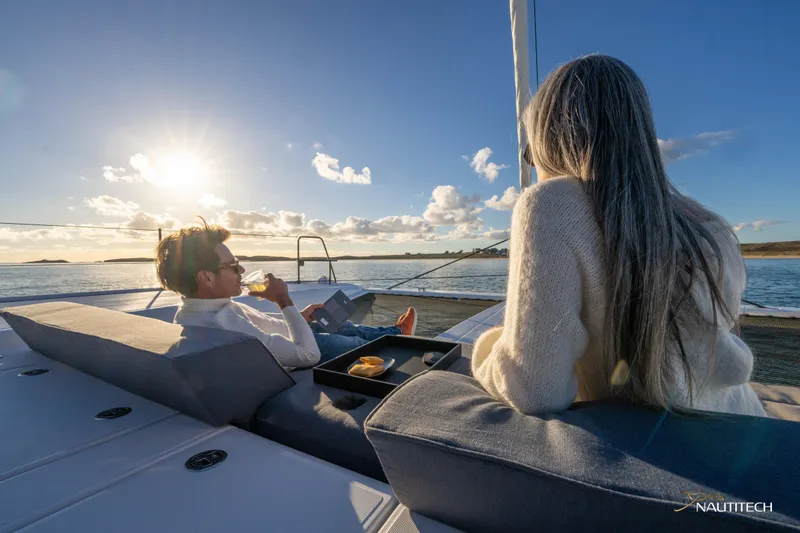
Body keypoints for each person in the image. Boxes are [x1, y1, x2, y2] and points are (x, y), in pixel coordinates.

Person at [472, 55, 765, 417]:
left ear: (551, 139)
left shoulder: (550, 205)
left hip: (667, 446)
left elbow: (536, 391)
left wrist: (489, 348)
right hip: (744, 419)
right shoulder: (711, 227)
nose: (533, 164)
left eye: (530, 153)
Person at [154, 221, 417, 370]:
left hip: (283, 347)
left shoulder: (198, 311)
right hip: (298, 358)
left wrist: (299, 316)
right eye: (233, 266)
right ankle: (396, 337)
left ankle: (396, 332)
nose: (241, 270)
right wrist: (283, 300)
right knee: (346, 342)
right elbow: (308, 355)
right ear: (206, 277)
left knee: (329, 322)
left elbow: (267, 326)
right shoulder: (222, 322)